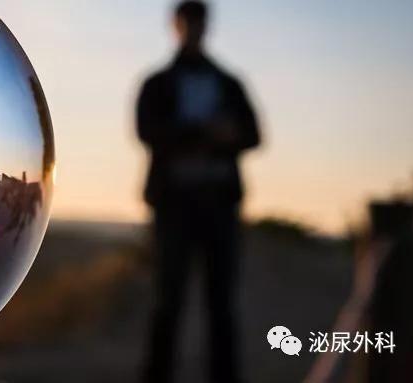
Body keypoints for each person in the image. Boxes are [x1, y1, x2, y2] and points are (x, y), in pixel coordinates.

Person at [135, 1, 261, 382]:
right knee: (167, 301)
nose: (193, 28)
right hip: (174, 205)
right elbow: (146, 131)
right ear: (176, 26)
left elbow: (253, 135)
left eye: (198, 21)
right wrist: (205, 133)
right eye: (187, 21)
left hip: (219, 205)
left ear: (207, 26)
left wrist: (216, 136)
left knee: (221, 305)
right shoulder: (157, 83)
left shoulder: (229, 82)